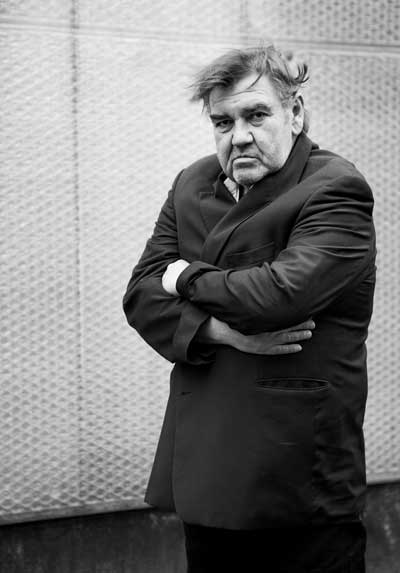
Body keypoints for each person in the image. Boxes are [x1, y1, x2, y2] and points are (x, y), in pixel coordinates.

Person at [123, 45, 376, 572]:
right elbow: (141, 295)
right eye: (223, 121)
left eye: (256, 115)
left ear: (295, 114)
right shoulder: (192, 183)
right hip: (207, 463)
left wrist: (184, 276)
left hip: (297, 477)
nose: (238, 135)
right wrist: (219, 331)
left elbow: (277, 297)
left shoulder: (335, 189)